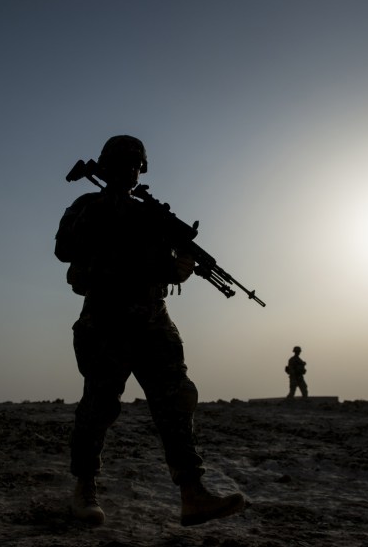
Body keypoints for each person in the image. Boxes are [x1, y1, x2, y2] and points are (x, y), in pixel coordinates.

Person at [55, 134, 245, 527]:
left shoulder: (152, 214)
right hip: (106, 318)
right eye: (120, 163)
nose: (128, 169)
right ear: (104, 167)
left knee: (177, 400)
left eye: (134, 164)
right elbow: (64, 250)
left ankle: (192, 493)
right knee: (99, 405)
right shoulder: (86, 206)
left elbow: (166, 267)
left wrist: (181, 265)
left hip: (153, 321)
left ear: (142, 169)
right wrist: (115, 215)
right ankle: (84, 491)